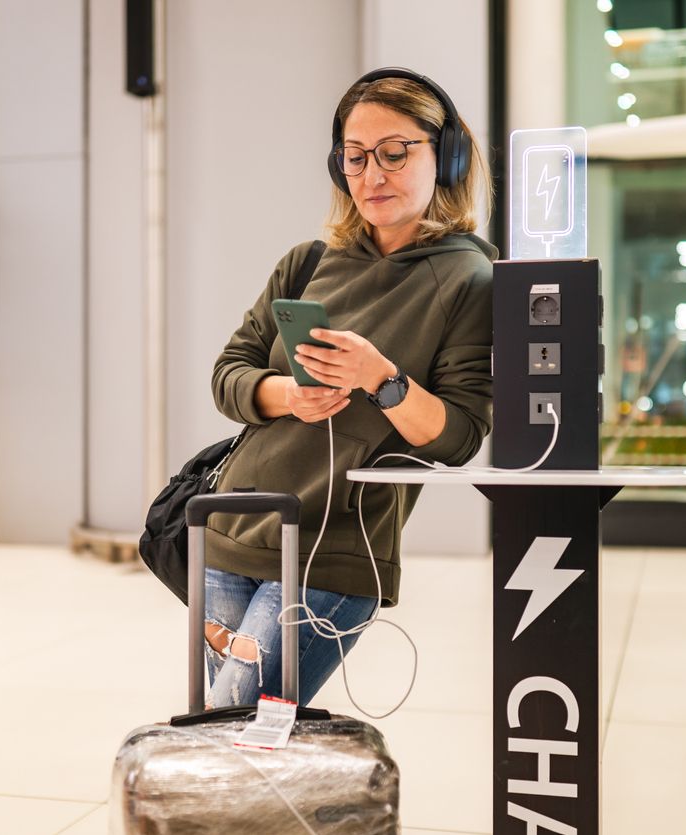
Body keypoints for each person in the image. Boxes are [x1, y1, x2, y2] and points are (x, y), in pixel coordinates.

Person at [204, 68, 496, 708]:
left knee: (234, 730)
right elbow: (229, 375)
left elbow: (459, 437)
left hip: (331, 552)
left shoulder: (471, 278)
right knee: (233, 746)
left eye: (395, 152)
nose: (373, 175)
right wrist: (286, 394)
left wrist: (382, 379)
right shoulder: (307, 262)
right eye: (355, 157)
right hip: (231, 532)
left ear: (444, 157)